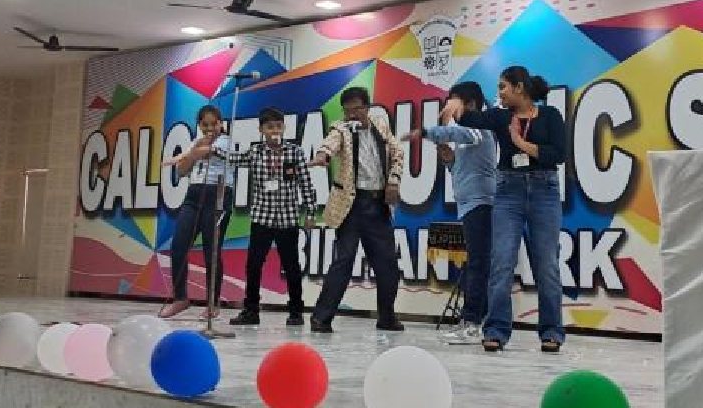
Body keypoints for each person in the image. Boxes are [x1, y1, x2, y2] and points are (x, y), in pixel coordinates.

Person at [440, 66, 567, 353]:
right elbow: (475, 118)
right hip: (508, 191)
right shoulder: (500, 116)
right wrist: (458, 105)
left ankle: (551, 332)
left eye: (503, 87)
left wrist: (522, 144)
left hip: (544, 192)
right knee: (501, 262)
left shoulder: (549, 116)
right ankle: (496, 329)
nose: (499, 93)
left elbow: (558, 153)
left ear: (519, 87)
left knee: (546, 264)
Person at [402, 81, 496, 344]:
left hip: (481, 204)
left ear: (471, 104)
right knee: (476, 263)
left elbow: (464, 135)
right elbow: (460, 171)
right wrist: (449, 160)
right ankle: (477, 321)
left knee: (478, 264)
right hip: (469, 204)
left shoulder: (480, 126)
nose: (450, 109)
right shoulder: (469, 132)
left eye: (454, 103)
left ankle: (472, 322)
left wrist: (425, 132)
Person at [308, 87, 405, 333]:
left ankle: (386, 316)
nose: (351, 114)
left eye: (356, 109)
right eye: (347, 110)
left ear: (367, 108)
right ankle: (321, 318)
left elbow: (398, 152)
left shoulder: (380, 126)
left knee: (387, 264)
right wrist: (322, 156)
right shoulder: (340, 129)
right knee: (343, 261)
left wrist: (393, 180)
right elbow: (329, 144)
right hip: (351, 205)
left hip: (378, 204)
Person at [211, 107, 317, 327]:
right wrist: (212, 149)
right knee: (254, 265)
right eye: (269, 127)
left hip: (288, 218)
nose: (274, 130)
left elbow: (306, 183)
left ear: (284, 128)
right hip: (262, 218)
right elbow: (234, 159)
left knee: (292, 266)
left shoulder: (295, 152)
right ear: (261, 130)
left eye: (278, 126)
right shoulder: (256, 152)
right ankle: (251, 311)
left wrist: (310, 212)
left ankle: (296, 311)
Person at [159, 104, 234, 319]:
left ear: (221, 123)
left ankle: (213, 303)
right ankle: (180, 297)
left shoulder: (226, 141)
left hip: (217, 196)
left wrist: (189, 155)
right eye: (205, 124)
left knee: (212, 251)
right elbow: (182, 171)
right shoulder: (195, 142)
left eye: (214, 124)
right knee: (179, 245)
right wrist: (190, 155)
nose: (210, 128)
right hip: (193, 196)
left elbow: (202, 153)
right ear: (199, 125)